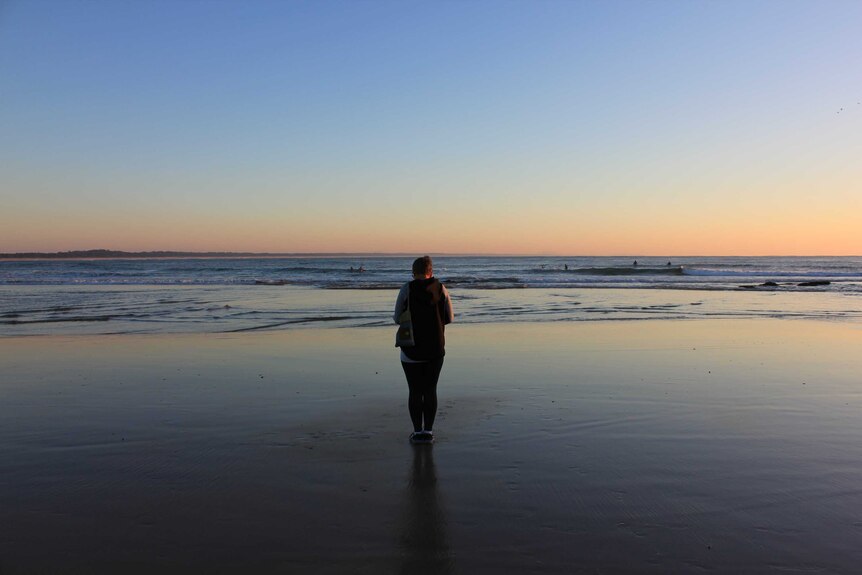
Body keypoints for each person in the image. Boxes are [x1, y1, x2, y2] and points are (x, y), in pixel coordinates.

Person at [393, 256, 454, 444]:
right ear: (431, 271)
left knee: (414, 390)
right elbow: (449, 317)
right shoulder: (441, 288)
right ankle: (428, 431)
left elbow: (396, 318)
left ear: (413, 272)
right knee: (430, 390)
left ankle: (417, 431)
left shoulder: (407, 289)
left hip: (411, 348)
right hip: (435, 349)